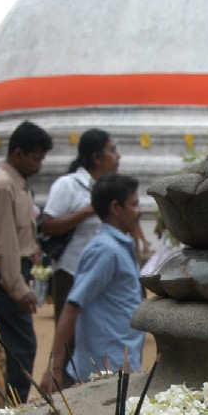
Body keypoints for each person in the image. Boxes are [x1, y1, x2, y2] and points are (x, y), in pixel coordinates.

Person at [40, 173, 145, 391]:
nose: (139, 211)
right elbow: (71, 307)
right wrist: (55, 367)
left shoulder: (118, 246)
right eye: (134, 205)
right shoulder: (105, 250)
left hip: (121, 361)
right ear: (116, 208)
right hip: (105, 367)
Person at [0, 120, 53, 402]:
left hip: (14, 270)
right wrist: (18, 287)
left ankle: (11, 404)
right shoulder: (3, 186)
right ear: (18, 153)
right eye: (36, 158)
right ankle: (13, 408)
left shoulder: (17, 184)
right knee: (23, 345)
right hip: (4, 273)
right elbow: (2, 245)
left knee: (16, 344)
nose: (39, 166)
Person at [42, 129, 120, 323]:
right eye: (112, 150)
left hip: (101, 274)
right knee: (70, 339)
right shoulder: (68, 185)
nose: (118, 157)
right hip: (71, 272)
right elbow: (48, 226)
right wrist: (87, 211)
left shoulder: (107, 189)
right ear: (96, 157)